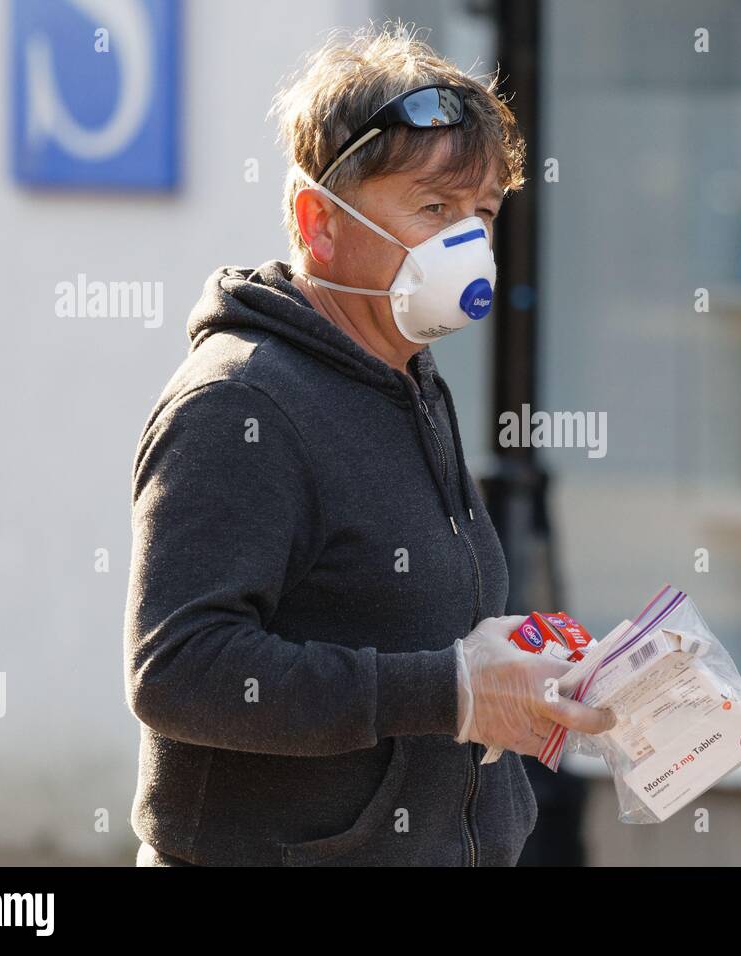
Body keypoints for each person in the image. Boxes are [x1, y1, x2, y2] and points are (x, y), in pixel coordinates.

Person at [123, 24, 615, 867]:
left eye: (483, 213)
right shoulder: (240, 403)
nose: (468, 245)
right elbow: (180, 672)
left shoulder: (409, 376)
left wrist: (534, 668)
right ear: (319, 222)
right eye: (432, 208)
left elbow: (411, 626)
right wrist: (454, 691)